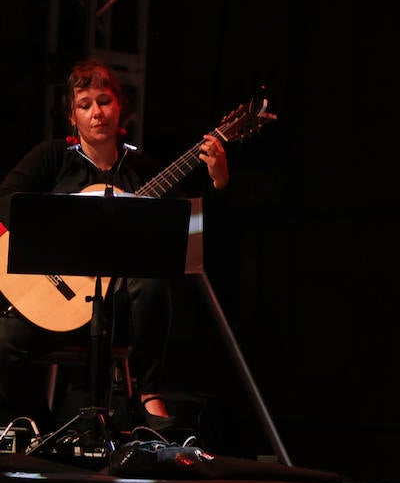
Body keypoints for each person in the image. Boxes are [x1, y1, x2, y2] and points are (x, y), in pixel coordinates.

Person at [0, 59, 230, 433]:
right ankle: (42, 428)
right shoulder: (54, 156)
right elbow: (7, 199)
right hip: (58, 303)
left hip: (121, 313)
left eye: (104, 101)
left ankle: (148, 391)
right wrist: (63, 227)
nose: (96, 113)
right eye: (85, 104)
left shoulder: (141, 168)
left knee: (153, 280)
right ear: (71, 115)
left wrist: (217, 180)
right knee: (2, 341)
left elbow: (189, 229)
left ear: (120, 106)